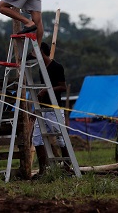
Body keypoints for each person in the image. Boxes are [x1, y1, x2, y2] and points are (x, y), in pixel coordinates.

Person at [32, 42, 70, 175]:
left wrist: (47, 91)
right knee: (36, 138)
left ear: (41, 51)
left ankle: (67, 166)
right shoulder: (41, 68)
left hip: (54, 109)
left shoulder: (57, 67)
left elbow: (63, 87)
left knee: (60, 138)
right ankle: (43, 169)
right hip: (43, 109)